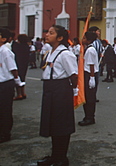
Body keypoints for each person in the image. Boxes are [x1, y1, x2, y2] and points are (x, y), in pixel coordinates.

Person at [37, 25, 78, 165]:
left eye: (51, 33)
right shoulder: (50, 52)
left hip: (61, 90)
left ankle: (62, 157)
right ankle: (54, 155)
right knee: (52, 123)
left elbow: (73, 75)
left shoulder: (66, 54)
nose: (47, 35)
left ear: (60, 38)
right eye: (48, 32)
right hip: (50, 89)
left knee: (61, 124)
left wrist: (74, 91)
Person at [0, 28, 23, 143]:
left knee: (5, 109)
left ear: (3, 39)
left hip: (5, 84)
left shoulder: (5, 51)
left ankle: (5, 133)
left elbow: (13, 69)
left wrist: (17, 82)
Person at [78, 31, 99, 126]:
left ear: (89, 40)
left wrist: (91, 77)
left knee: (89, 98)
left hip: (90, 74)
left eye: (84, 38)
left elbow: (91, 65)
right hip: (88, 74)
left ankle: (90, 117)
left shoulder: (90, 50)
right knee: (87, 97)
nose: (83, 40)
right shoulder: (88, 48)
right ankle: (88, 116)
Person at [12, 34, 30, 100]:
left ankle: (19, 94)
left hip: (18, 64)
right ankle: (23, 92)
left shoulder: (17, 46)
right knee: (23, 78)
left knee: (17, 78)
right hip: (24, 64)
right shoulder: (27, 46)